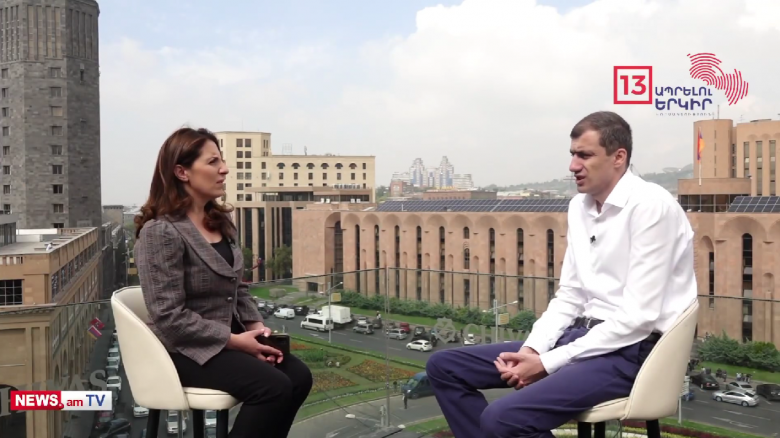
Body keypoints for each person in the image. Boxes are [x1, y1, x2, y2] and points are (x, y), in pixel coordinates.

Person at [426, 111, 697, 438]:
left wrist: (547, 363)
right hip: (580, 338)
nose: (573, 166)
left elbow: (637, 319)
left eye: (585, 155)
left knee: (502, 419)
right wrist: (533, 350)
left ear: (618, 157)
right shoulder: (580, 207)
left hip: (631, 352)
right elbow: (570, 295)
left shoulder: (652, 206)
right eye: (572, 154)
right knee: (444, 367)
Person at [134, 127, 313, 438]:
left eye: (222, 160)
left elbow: (237, 286)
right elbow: (168, 316)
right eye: (213, 161)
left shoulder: (220, 222)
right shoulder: (160, 232)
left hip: (229, 342)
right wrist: (236, 341)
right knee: (271, 387)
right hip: (182, 350)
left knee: (298, 377)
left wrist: (256, 329)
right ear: (182, 172)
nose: (224, 169)